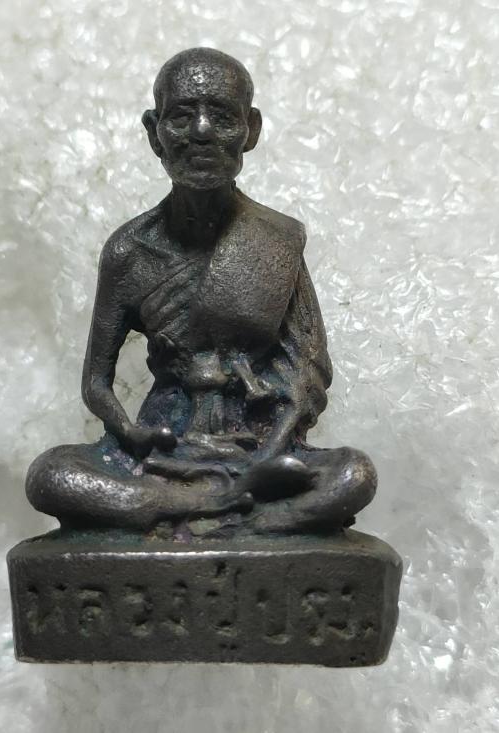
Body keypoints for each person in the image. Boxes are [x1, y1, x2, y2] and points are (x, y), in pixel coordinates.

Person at [26, 48, 377, 535]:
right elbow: (96, 383)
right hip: (162, 451)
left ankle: (193, 510)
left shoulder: (275, 239)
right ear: (154, 132)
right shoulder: (129, 251)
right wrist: (129, 432)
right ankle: (227, 509)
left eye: (224, 118)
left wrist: (273, 447)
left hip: (258, 447)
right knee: (51, 475)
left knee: (354, 473)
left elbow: (309, 372)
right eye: (181, 117)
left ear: (251, 130)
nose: (203, 132)